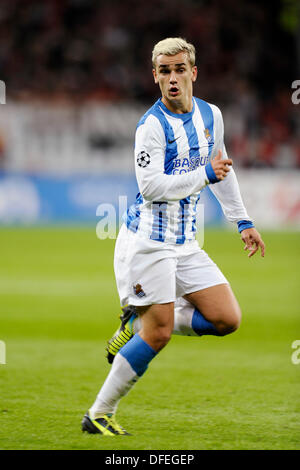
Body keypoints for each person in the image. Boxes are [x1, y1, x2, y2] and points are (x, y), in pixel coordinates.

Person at [82, 37, 265, 436]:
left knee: (226, 318)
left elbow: (222, 169)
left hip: (186, 243)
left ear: (193, 72)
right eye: (165, 71)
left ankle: (135, 324)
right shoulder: (150, 127)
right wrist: (204, 175)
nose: (173, 78)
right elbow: (151, 188)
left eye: (180, 69)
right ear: (155, 77)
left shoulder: (211, 116)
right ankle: (99, 413)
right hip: (147, 241)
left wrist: (242, 221)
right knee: (160, 332)